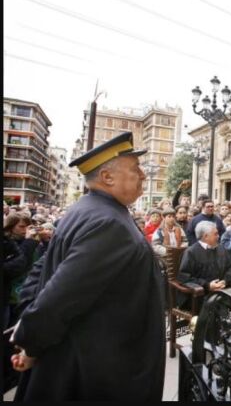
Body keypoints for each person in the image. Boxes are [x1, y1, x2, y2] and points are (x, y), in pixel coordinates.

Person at [10, 131, 165, 401]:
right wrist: (31, 344)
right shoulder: (109, 223)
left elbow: (41, 274)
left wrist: (29, 330)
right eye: (135, 168)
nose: (143, 175)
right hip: (94, 374)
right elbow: (59, 297)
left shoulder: (88, 209)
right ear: (107, 177)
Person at [178, 221, 231, 307]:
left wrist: (225, 281)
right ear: (205, 236)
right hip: (199, 295)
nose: (218, 236)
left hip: (223, 291)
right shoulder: (191, 252)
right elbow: (184, 277)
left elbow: (230, 268)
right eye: (215, 234)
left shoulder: (221, 249)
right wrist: (207, 285)